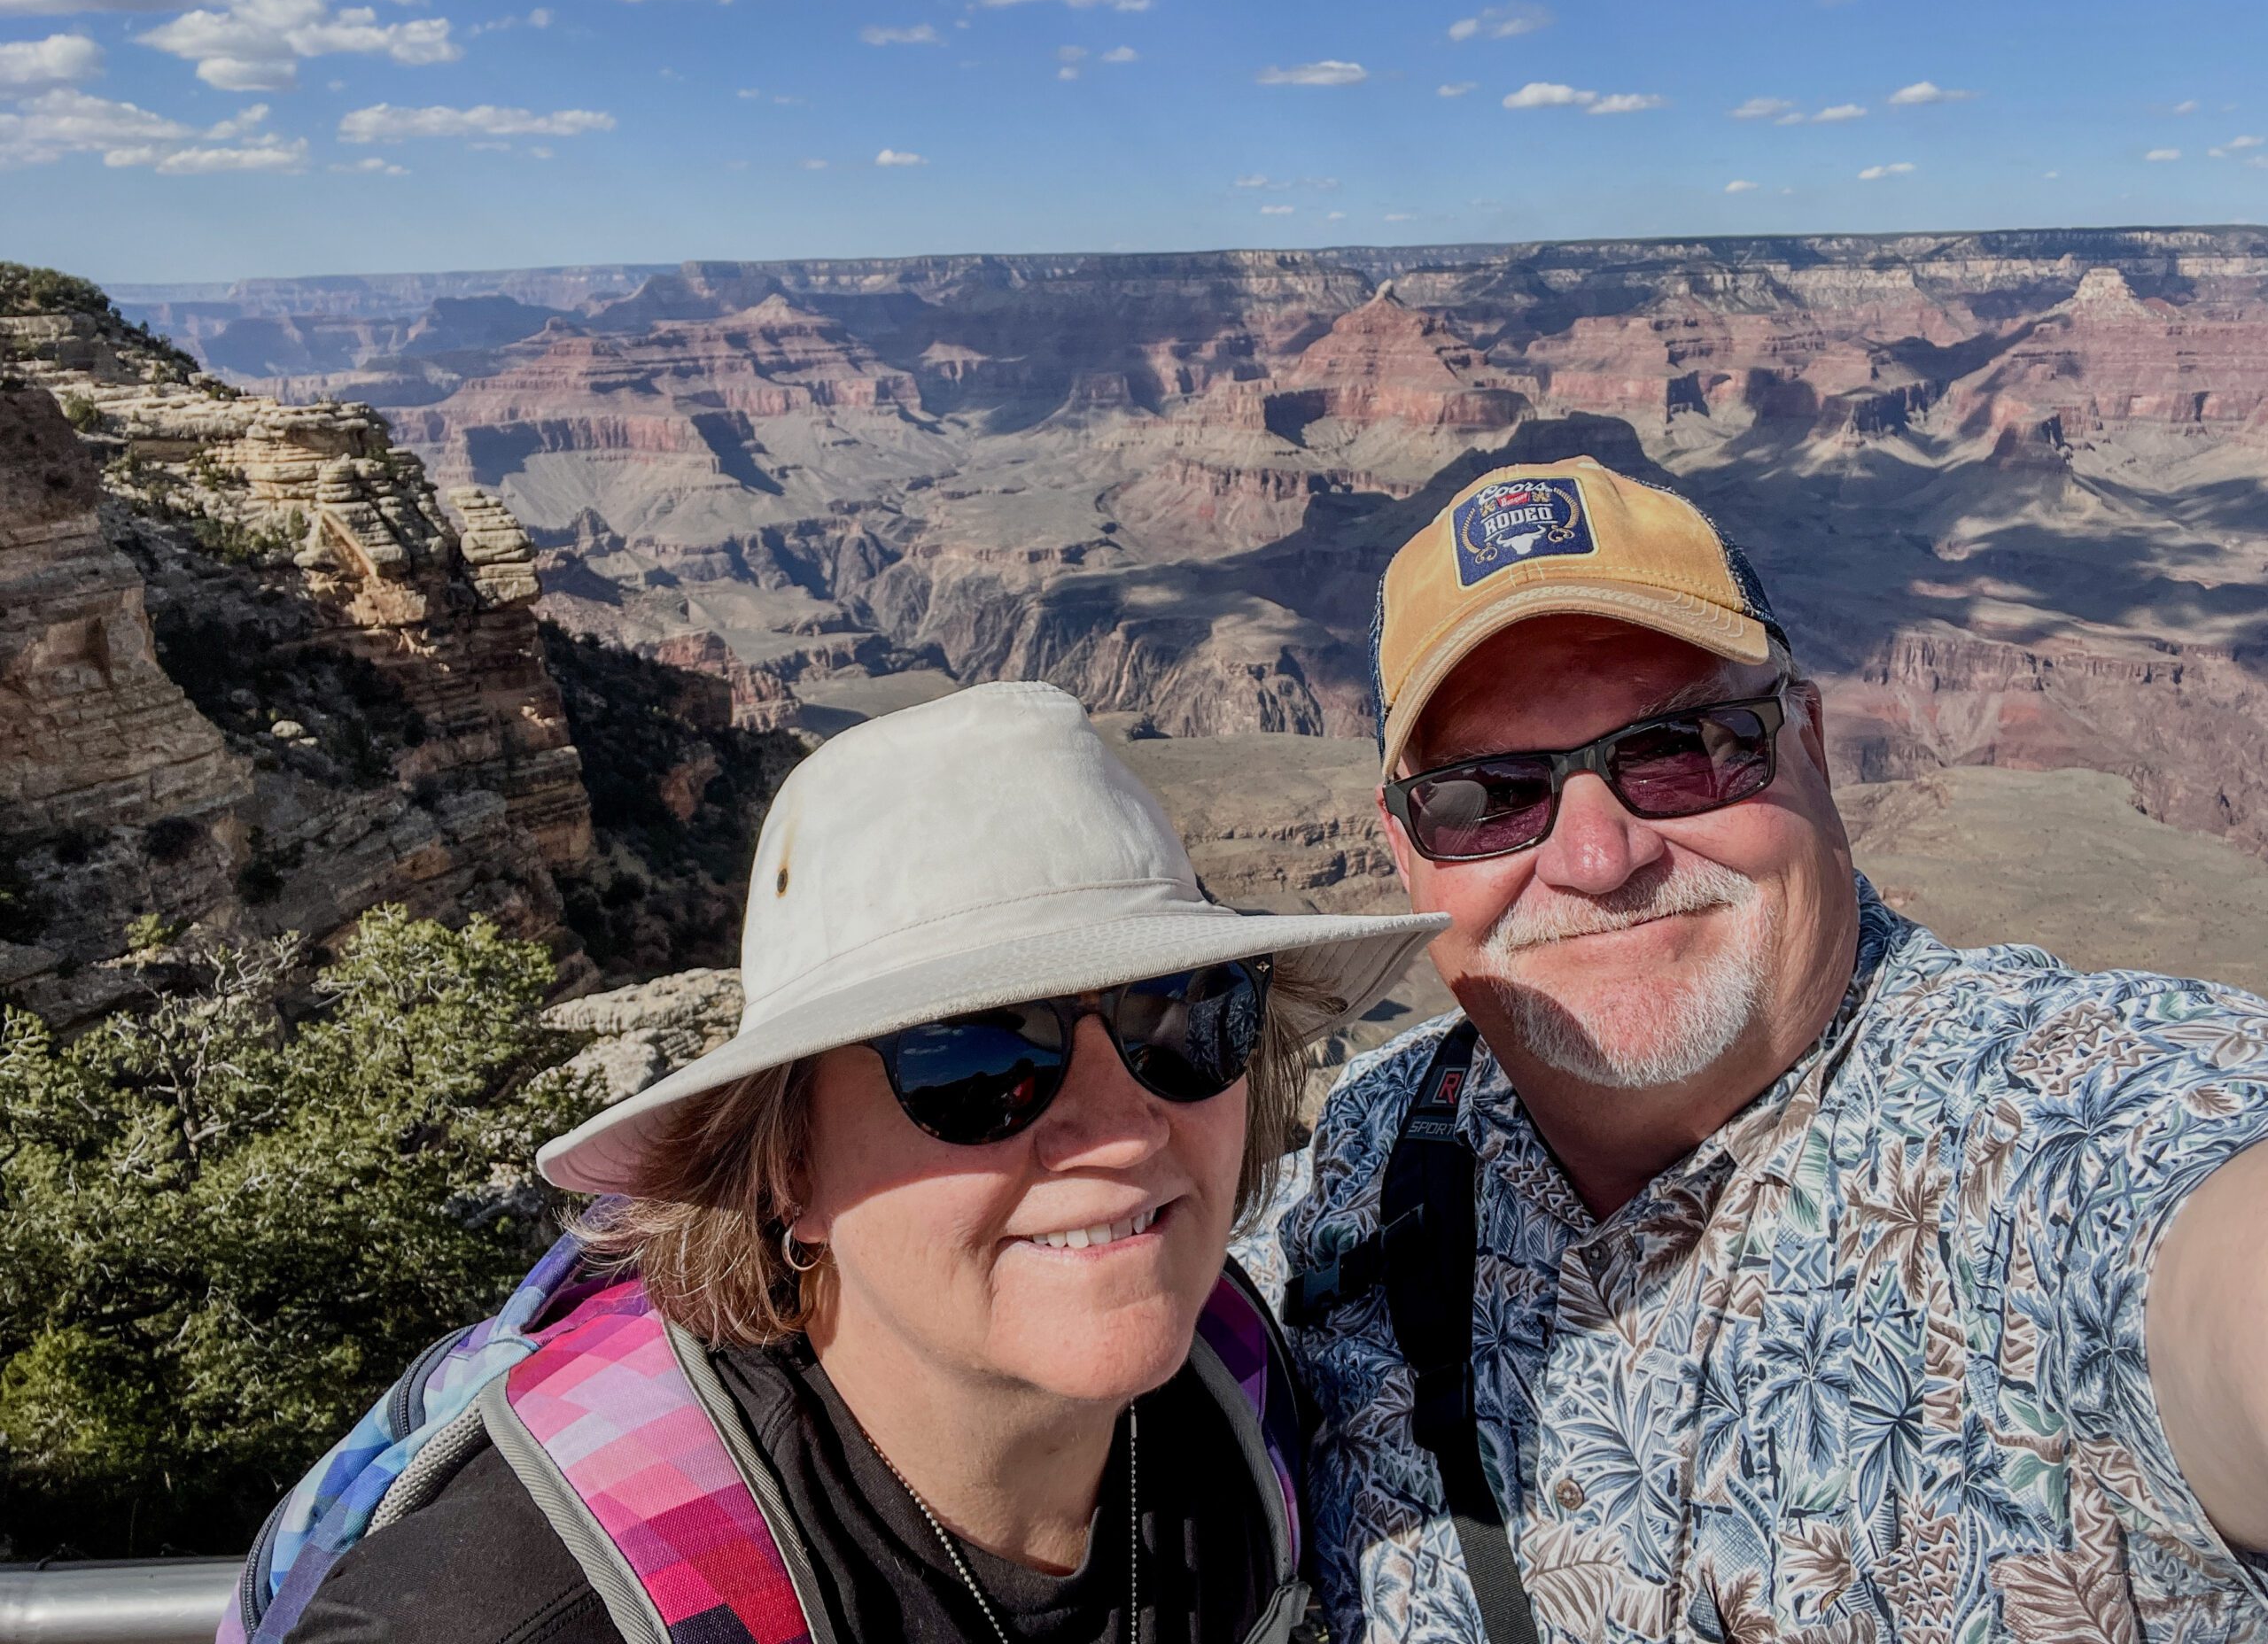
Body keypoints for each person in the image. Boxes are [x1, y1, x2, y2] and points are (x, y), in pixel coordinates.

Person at [1238, 457, 2268, 1643]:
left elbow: (2204, 1260)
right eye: (1491, 796)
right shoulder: (1365, 1159)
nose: (1597, 856)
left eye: (1680, 748)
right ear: (1405, 851)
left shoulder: (2055, 1126)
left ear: (1814, 745)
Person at [268, 681, 1447, 1644]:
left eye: (1182, 1018)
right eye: (980, 1065)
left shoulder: (1243, 1417)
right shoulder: (520, 1613)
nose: (1124, 1125)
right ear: (788, 1168)